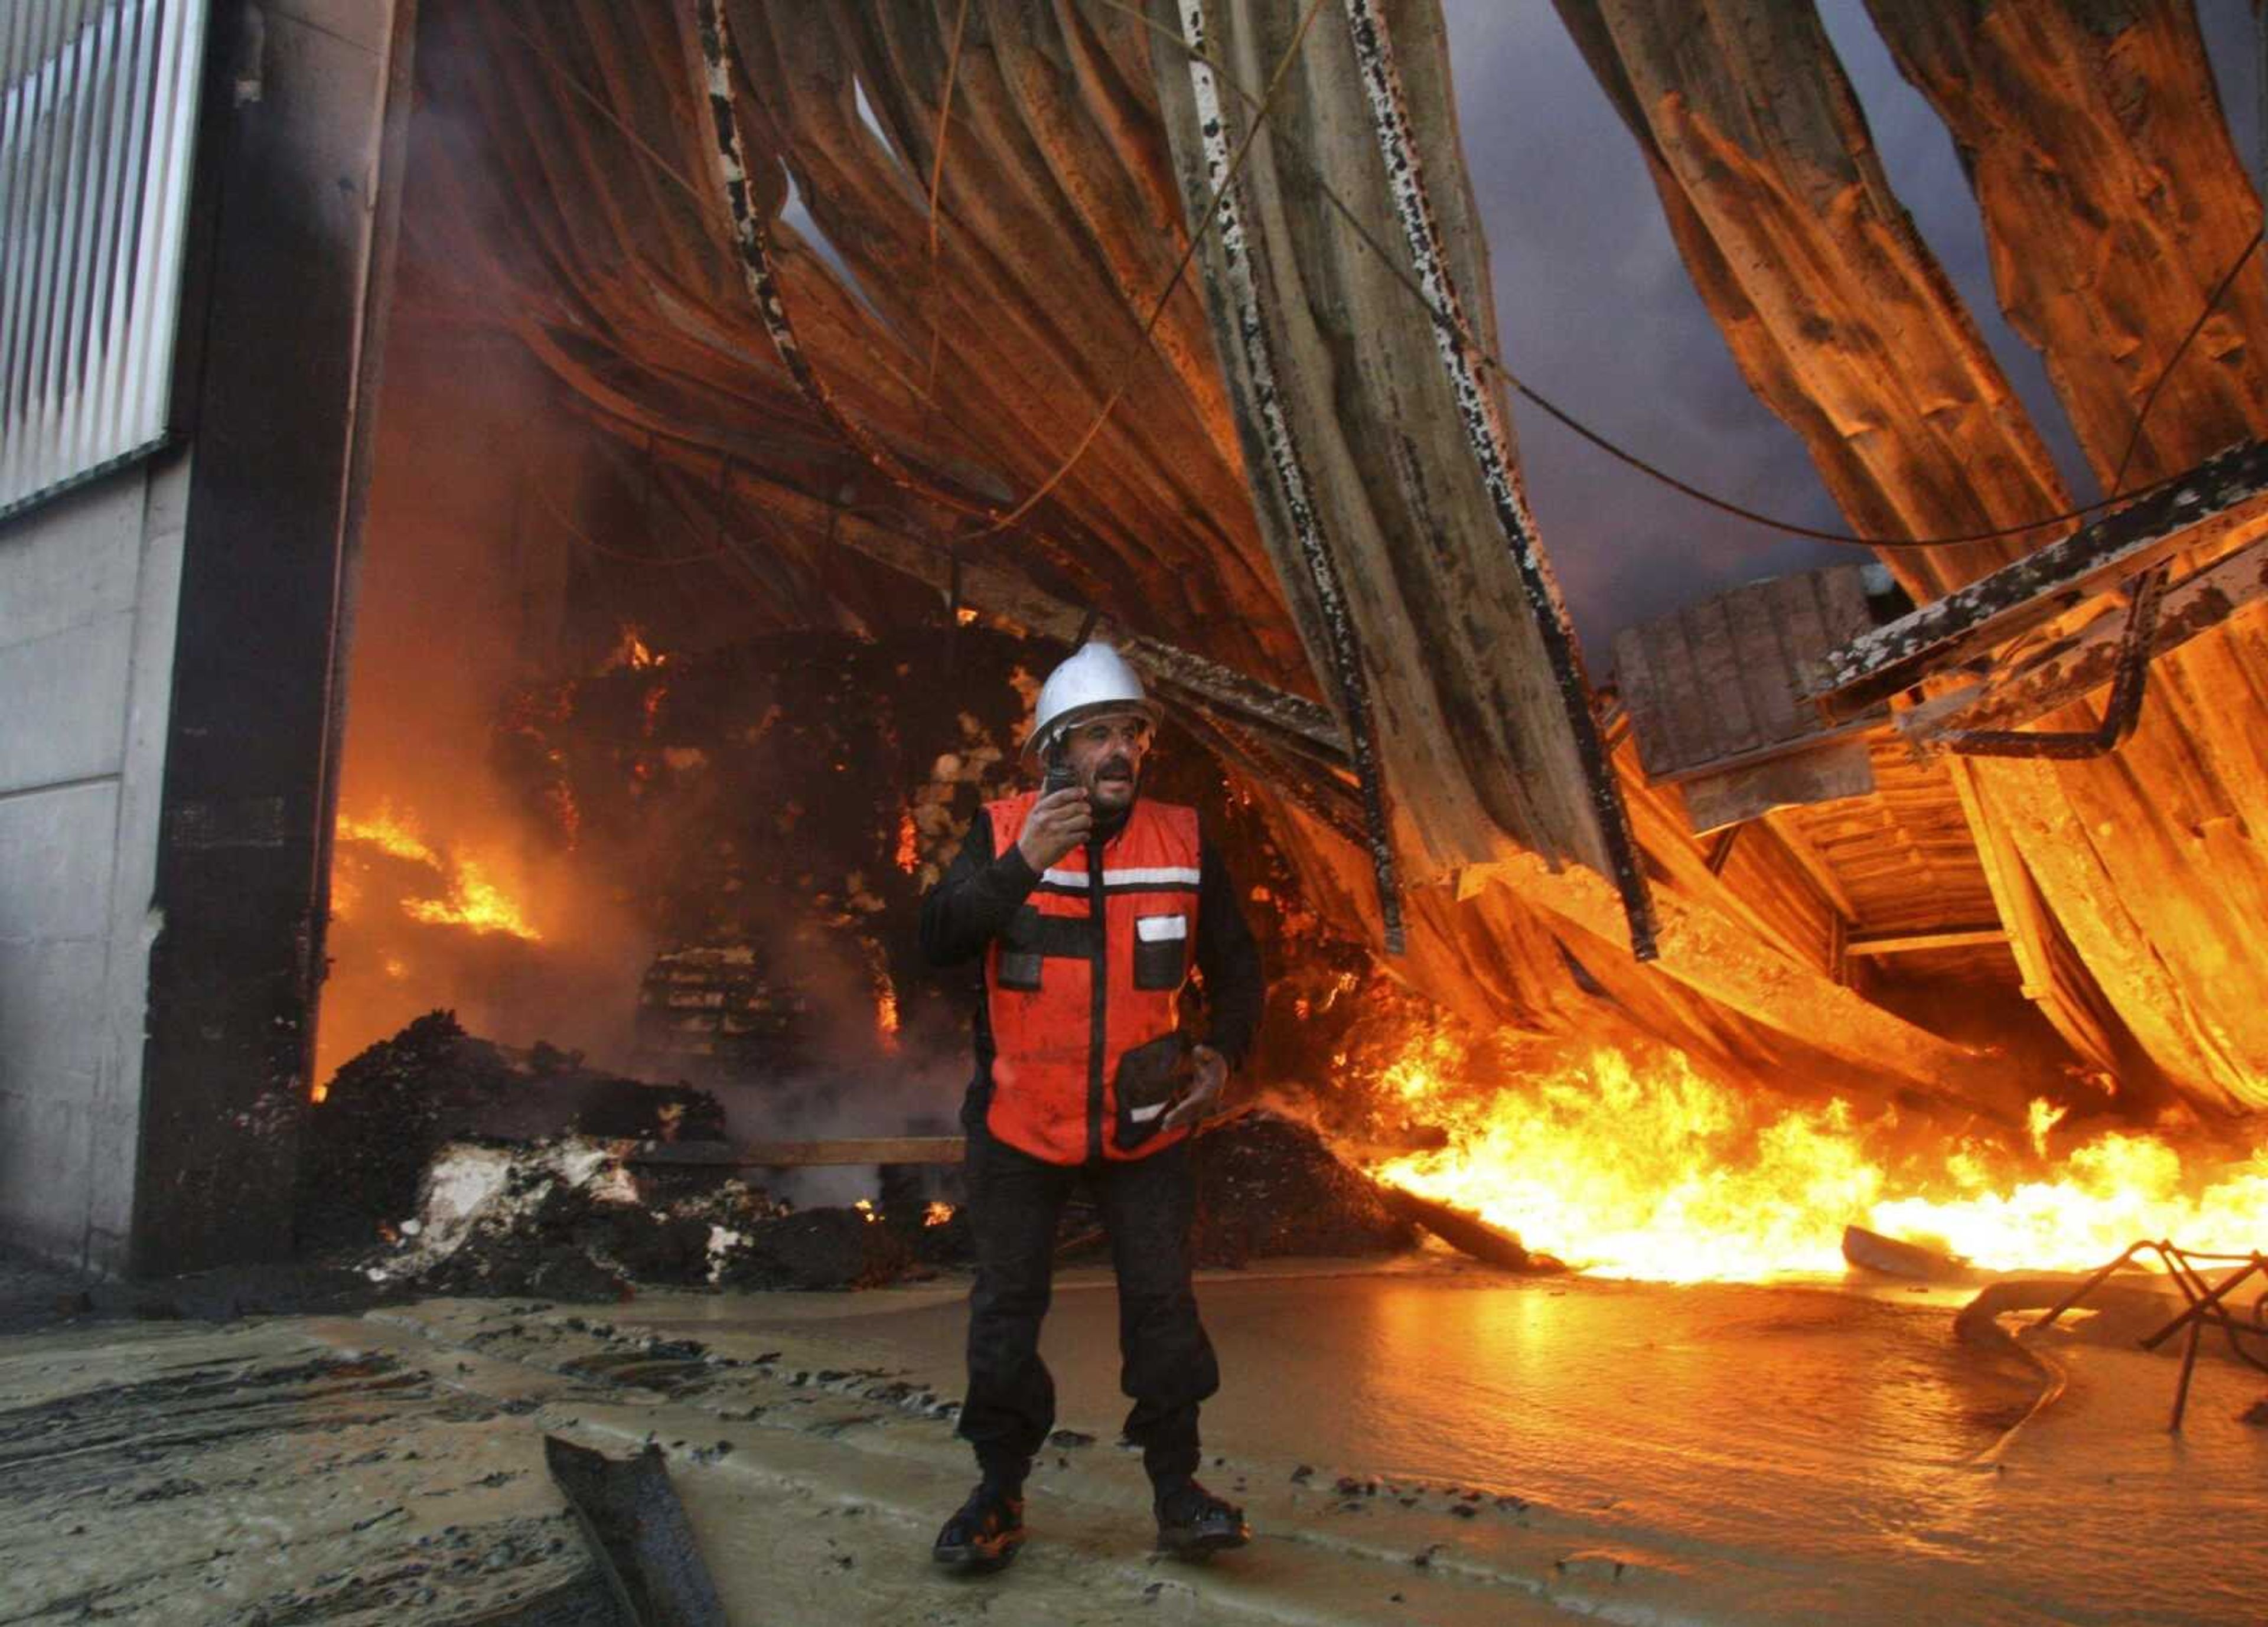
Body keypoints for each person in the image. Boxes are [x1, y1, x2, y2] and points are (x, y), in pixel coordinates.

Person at [918, 643, 1265, 1570]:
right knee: (1006, 1314)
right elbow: (933, 941)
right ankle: (997, 1493)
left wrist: (1223, 1057)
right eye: (1096, 735)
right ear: (1055, 752)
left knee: (1162, 1309)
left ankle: (1178, 1492)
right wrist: (1021, 863)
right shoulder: (1001, 832)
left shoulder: (1183, 840)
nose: (1119, 752)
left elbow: (1238, 967)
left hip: (1144, 1127)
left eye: (1130, 734)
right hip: (1019, 1127)